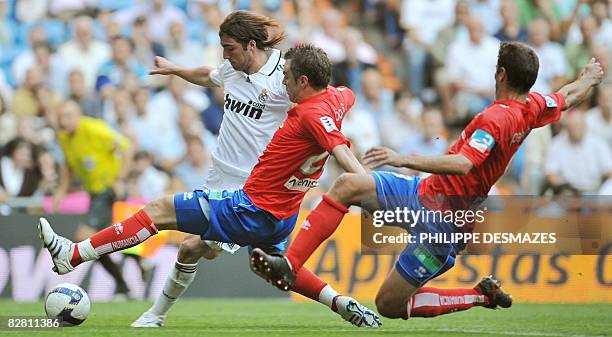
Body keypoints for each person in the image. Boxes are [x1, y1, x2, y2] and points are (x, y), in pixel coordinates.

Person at [250, 42, 605, 320]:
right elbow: (569, 95)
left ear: (499, 74)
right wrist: (589, 77)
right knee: (347, 185)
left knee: (389, 304)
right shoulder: (534, 106)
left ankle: (480, 295)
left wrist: (403, 158)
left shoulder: (495, 119)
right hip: (422, 193)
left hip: (444, 222)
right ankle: (290, 265)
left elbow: (465, 163)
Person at [38, 43, 381, 328]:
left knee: (159, 210)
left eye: (288, 78)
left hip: (250, 207)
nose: (284, 84)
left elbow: (339, 148)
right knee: (273, 267)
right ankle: (342, 302)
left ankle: (74, 254)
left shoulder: (310, 116)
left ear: (304, 81)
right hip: (282, 214)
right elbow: (344, 98)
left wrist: (365, 189)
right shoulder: (339, 97)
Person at [128, 10, 362, 328]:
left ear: (250, 45)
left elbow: (321, 111)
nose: (225, 54)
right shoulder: (233, 69)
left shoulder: (285, 74)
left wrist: (363, 181)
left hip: (253, 186)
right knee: (260, 261)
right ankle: (339, 301)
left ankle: (152, 314)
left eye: (229, 47)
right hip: (225, 177)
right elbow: (208, 75)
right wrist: (175, 70)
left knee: (190, 246)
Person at [51, 100, 134, 299]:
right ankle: (135, 268)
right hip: (94, 193)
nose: (64, 121)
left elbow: (127, 147)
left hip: (109, 190)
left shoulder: (94, 129)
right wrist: (61, 190)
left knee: (84, 238)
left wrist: (121, 179)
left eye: (68, 116)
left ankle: (123, 283)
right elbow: (69, 166)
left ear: (78, 115)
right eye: (61, 116)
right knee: (108, 239)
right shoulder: (63, 137)